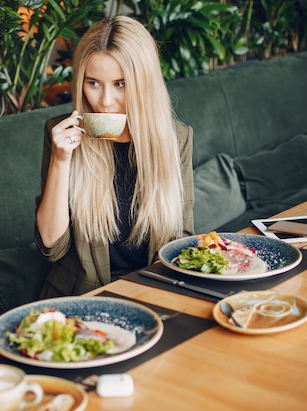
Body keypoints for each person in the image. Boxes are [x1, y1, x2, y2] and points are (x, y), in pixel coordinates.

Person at [35, 16, 195, 297]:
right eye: (93, 83)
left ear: (144, 84)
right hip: (82, 297)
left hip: (153, 291)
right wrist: (61, 160)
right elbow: (51, 246)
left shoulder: (176, 139)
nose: (105, 101)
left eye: (120, 84)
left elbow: (180, 239)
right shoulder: (62, 136)